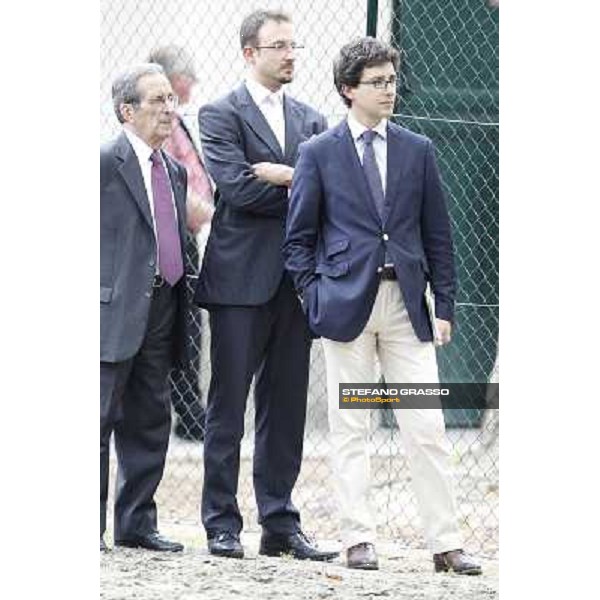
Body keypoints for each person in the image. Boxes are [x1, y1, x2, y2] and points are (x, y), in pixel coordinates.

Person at [284, 37, 481, 575]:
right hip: (345, 310)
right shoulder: (318, 153)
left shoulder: (418, 149)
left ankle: (446, 542)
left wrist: (444, 303)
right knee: (352, 427)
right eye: (377, 81)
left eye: (392, 79)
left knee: (427, 427)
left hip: (405, 310)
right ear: (349, 89)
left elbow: (439, 234)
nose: (389, 89)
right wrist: (314, 297)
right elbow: (298, 239)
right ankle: (358, 538)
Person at [194, 9, 336, 561]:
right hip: (237, 283)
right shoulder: (219, 113)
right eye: (279, 46)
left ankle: (280, 523)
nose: (291, 55)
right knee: (227, 408)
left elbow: (328, 194)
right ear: (250, 53)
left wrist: (280, 174)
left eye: (294, 46)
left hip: (296, 283)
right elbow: (237, 188)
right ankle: (221, 524)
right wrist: (301, 181)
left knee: (286, 410)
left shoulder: (312, 118)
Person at [100, 63, 189, 553]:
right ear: (126, 110)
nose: (169, 109)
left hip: (163, 306)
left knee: (150, 420)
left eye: (171, 99)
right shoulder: (101, 162)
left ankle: (136, 524)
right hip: (110, 312)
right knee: (95, 419)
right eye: (157, 100)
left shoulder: (171, 169)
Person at [148, 45, 215, 442]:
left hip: (186, 234)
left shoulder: (176, 121)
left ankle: (190, 413)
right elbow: (172, 187)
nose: (192, 87)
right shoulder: (159, 125)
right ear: (176, 79)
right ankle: (189, 414)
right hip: (173, 234)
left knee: (190, 324)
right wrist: (215, 215)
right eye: (189, 78)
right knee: (183, 326)